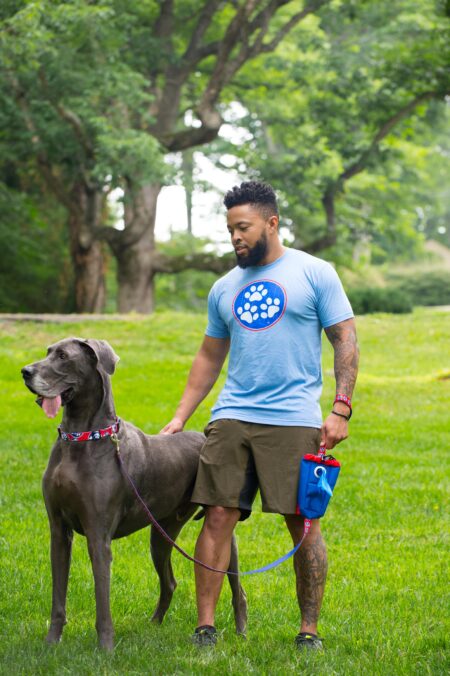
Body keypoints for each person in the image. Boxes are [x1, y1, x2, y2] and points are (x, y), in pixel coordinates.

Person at [161, 180, 359, 650]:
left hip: (294, 419)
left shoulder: (314, 272)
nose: (235, 237)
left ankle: (308, 630)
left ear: (271, 223)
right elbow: (209, 356)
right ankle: (205, 627)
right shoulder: (224, 288)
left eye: (243, 227)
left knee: (301, 522)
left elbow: (345, 340)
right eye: (230, 229)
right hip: (232, 417)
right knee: (217, 514)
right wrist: (179, 417)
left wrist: (341, 408)